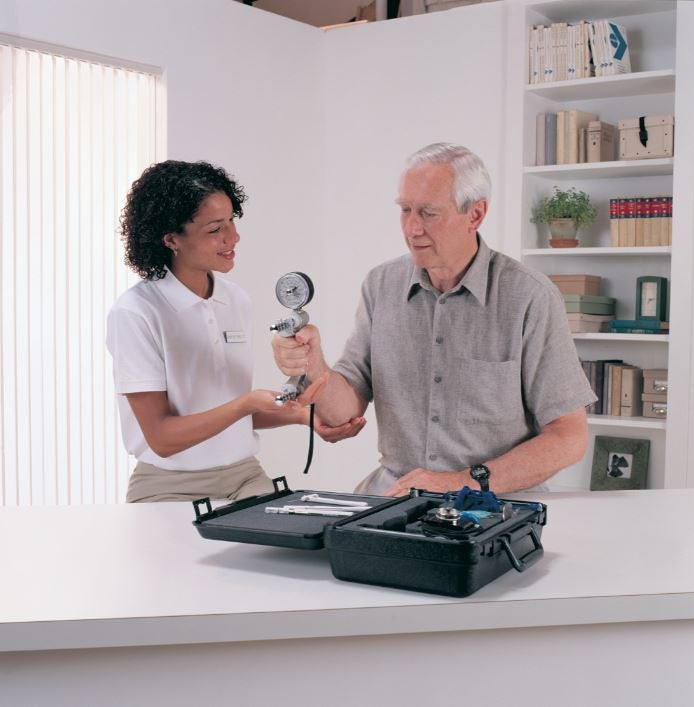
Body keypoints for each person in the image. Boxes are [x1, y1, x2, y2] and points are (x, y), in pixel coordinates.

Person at [272, 143, 596, 496]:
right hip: (396, 494)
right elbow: (342, 411)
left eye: (428, 213)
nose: (412, 228)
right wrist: (311, 363)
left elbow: (568, 437)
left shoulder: (530, 296)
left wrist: (461, 483)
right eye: (406, 210)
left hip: (497, 501)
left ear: (475, 215)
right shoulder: (381, 285)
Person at [107, 160, 364, 503]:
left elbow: (225, 414)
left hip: (244, 476)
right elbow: (162, 438)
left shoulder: (235, 300)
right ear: (171, 239)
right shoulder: (136, 312)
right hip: (169, 485)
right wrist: (244, 404)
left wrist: (305, 418)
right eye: (215, 229)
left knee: (284, 549)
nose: (233, 237)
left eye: (232, 221)